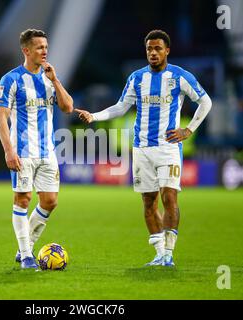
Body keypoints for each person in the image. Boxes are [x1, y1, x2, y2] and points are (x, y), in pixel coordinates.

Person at [75, 30, 212, 267]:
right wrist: (94, 116)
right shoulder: (137, 78)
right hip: (141, 149)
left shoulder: (180, 76)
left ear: (167, 50)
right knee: (149, 204)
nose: (153, 53)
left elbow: (205, 101)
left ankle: (169, 253)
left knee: (169, 198)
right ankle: (160, 254)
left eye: (158, 48)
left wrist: (188, 130)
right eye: (149, 49)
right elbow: (120, 107)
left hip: (168, 147)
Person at [0, 29, 73, 269]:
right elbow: (1, 118)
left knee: (50, 201)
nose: (45, 51)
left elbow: (68, 107)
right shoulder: (11, 79)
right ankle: (27, 255)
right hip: (23, 152)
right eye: (39, 47)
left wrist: (56, 81)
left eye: (46, 47)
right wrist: (9, 151)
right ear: (26, 50)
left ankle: (24, 246)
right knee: (23, 198)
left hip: (47, 151)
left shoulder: (49, 80)